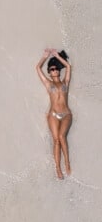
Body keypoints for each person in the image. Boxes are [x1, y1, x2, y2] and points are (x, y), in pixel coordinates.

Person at [36, 48, 72, 179]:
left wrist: (57, 55)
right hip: (53, 115)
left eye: (56, 68)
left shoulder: (65, 82)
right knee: (56, 140)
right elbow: (38, 68)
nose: (54, 71)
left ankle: (67, 162)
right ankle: (58, 168)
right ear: (49, 73)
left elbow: (68, 66)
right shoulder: (48, 83)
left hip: (66, 114)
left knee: (62, 136)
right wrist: (44, 57)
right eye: (51, 70)